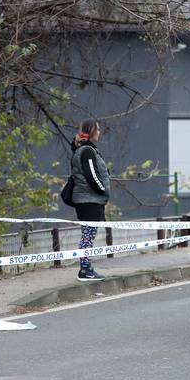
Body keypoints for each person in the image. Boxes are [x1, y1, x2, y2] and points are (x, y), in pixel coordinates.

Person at [70, 119, 110, 281]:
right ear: (91, 131)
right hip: (89, 200)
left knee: (88, 234)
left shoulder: (82, 149)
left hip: (87, 199)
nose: (99, 132)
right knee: (88, 235)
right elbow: (92, 175)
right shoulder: (87, 151)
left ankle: (86, 268)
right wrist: (103, 190)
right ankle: (85, 270)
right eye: (97, 130)